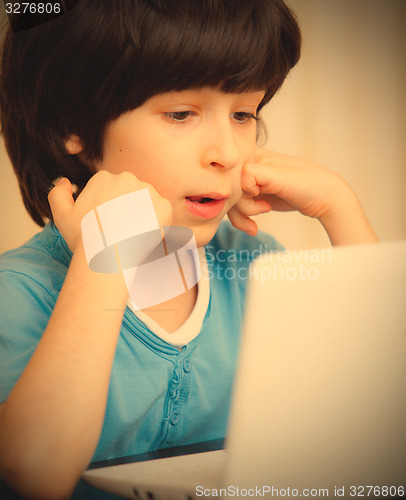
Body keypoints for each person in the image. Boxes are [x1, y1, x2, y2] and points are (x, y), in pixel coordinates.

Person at [0, 0, 378, 498]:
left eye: (243, 113)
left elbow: (379, 408)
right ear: (76, 127)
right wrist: (104, 258)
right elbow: (34, 471)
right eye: (181, 114)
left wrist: (340, 208)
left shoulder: (256, 267)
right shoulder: (20, 292)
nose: (226, 152)